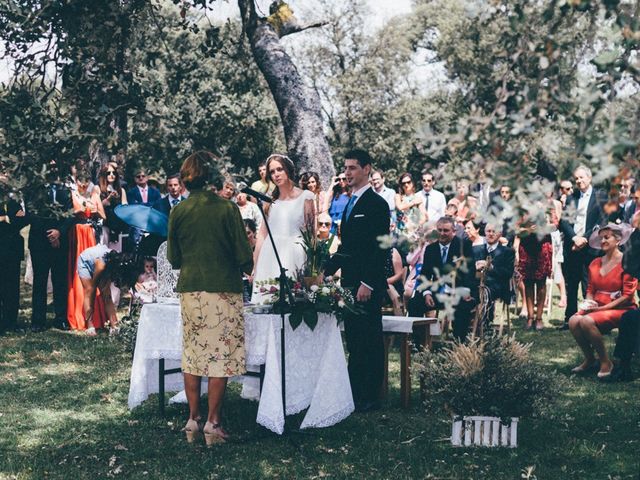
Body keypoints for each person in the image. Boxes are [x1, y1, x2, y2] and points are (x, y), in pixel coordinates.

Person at [167, 150, 253, 445]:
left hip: (190, 289)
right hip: (223, 289)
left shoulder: (178, 210)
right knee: (221, 356)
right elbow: (244, 257)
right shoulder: (227, 209)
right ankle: (213, 424)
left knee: (193, 354)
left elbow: (173, 257)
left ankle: (193, 419)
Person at [324, 149, 390, 413]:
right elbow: (348, 247)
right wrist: (325, 268)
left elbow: (380, 248)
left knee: (370, 339)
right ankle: (354, 392)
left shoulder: (377, 204)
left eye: (352, 168)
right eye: (345, 168)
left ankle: (370, 397)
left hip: (366, 284)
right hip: (349, 282)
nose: (347, 173)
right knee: (354, 338)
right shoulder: (349, 203)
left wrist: (369, 283)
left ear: (367, 169)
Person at [568, 223, 637, 379]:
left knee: (586, 321)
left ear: (618, 240)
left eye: (607, 237)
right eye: (601, 238)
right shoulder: (595, 263)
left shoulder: (627, 262)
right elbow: (590, 289)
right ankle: (591, 359)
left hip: (623, 309)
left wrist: (601, 309)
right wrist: (589, 303)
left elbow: (627, 295)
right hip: (597, 307)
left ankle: (606, 362)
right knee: (573, 320)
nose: (603, 241)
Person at [251, 154, 316, 303]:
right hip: (270, 255)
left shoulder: (306, 197)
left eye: (279, 169)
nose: (276, 174)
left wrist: (314, 268)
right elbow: (261, 235)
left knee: (295, 302)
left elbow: (312, 235)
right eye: (272, 172)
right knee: (268, 301)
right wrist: (255, 265)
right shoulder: (269, 201)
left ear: (288, 170)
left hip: (297, 254)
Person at [408, 216, 477, 341]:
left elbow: (470, 271)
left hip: (459, 290)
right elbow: (425, 274)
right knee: (414, 303)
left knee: (462, 307)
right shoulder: (431, 249)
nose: (442, 234)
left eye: (446, 230)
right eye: (439, 230)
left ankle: (459, 345)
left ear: (453, 231)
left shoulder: (464, 246)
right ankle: (418, 344)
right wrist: (427, 293)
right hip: (437, 291)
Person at [559, 165, 607, 330]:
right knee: (571, 285)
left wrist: (584, 239)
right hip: (572, 247)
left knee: (590, 285)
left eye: (581, 177)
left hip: (591, 249)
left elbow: (601, 223)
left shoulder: (600, 197)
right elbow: (563, 221)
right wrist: (574, 238)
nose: (578, 181)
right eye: (576, 178)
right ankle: (569, 319)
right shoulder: (571, 198)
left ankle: (592, 320)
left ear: (589, 177)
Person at [27, 164, 74, 332]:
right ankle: (38, 321)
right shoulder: (35, 189)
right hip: (39, 242)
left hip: (60, 243)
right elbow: (32, 214)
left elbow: (71, 215)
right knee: (40, 281)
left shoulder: (65, 190)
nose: (53, 170)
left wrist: (59, 233)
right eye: (50, 167)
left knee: (60, 281)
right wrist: (50, 235)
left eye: (56, 167)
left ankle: (60, 318)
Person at [67, 173, 107, 332]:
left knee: (93, 269)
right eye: (80, 182)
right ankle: (78, 314)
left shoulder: (94, 194)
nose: (83, 185)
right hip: (77, 232)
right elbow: (75, 211)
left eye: (86, 182)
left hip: (90, 233)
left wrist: (96, 209)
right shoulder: (73, 194)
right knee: (78, 271)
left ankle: (97, 316)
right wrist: (84, 207)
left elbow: (104, 216)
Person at [77, 244, 138, 336]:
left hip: (104, 264)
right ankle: (90, 326)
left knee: (107, 295)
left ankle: (115, 326)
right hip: (85, 261)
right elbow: (93, 288)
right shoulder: (101, 266)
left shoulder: (117, 263)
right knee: (88, 290)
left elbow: (106, 291)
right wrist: (91, 308)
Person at [514, 216, 553, 331]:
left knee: (541, 283)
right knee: (528, 283)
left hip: (543, 247)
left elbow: (555, 226)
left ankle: (539, 318)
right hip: (526, 247)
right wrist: (528, 230)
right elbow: (515, 230)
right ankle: (530, 317)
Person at [476, 223, 515, 329]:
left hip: (498, 286)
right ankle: (464, 329)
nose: (491, 234)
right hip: (477, 283)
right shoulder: (476, 249)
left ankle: (484, 326)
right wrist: (476, 267)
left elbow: (508, 273)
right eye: (488, 231)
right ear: (485, 233)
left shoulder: (508, 252)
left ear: (500, 234)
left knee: (484, 292)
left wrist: (492, 268)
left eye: (494, 232)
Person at [0, 192, 28, 335]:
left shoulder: (13, 199)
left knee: (12, 287)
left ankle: (11, 322)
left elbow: (23, 218)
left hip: (12, 248)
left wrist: (6, 218)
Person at [94, 164, 128, 249]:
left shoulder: (121, 190)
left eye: (114, 173)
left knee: (115, 254)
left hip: (116, 227)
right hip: (103, 225)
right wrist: (108, 199)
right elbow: (96, 208)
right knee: (102, 252)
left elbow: (125, 208)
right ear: (103, 174)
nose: (111, 175)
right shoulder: (97, 188)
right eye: (108, 173)